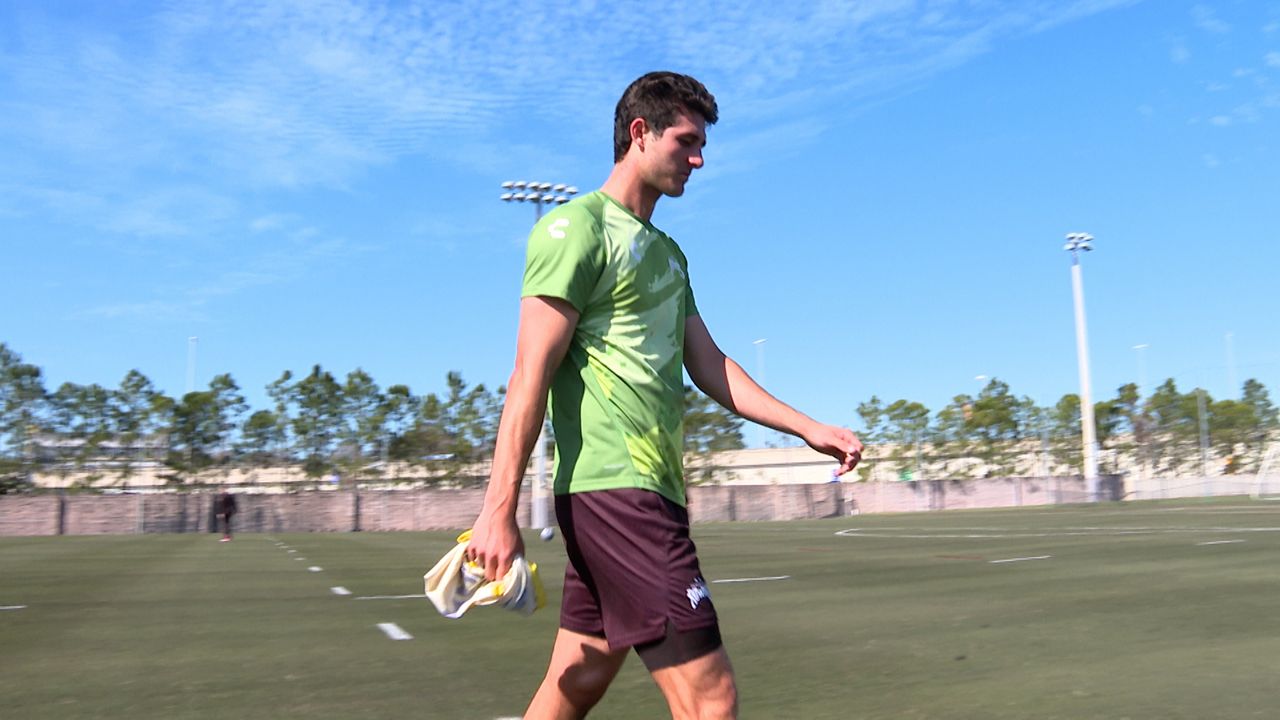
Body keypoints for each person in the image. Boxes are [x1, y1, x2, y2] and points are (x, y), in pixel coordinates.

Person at [466, 71, 863, 720]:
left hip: (650, 490)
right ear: (640, 133)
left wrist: (807, 427)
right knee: (711, 700)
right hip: (614, 491)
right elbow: (529, 374)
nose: (699, 159)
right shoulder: (574, 230)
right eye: (687, 141)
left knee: (580, 676)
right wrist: (497, 509)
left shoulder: (669, 255)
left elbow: (710, 364)